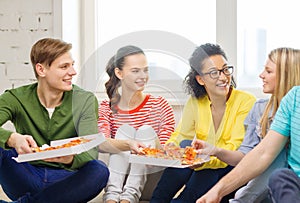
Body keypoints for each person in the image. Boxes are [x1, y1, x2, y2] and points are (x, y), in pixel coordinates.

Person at [0, 38, 141, 203]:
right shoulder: (15, 98)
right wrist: (11, 138)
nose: (73, 72)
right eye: (64, 66)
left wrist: (72, 159)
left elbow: (90, 148)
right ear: (41, 69)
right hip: (26, 175)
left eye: (72, 65)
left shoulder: (84, 100)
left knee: (99, 170)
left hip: (68, 181)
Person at [150, 43, 256, 203]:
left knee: (207, 171)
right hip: (204, 165)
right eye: (214, 73)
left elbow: (235, 150)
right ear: (200, 79)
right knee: (185, 145)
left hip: (230, 170)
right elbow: (182, 135)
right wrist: (171, 146)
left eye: (225, 70)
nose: (223, 77)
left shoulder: (246, 102)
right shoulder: (195, 102)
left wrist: (203, 161)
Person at [194, 47, 300, 202]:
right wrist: (218, 189)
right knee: (279, 176)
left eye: (268, 71)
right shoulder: (287, 100)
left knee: (279, 158)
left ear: (286, 75)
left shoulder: (244, 101)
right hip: (276, 183)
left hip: (269, 182)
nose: (261, 75)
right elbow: (258, 154)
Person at [98, 45, 175, 203]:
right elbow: (101, 143)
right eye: (135, 71)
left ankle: (128, 198)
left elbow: (165, 151)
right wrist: (128, 144)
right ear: (119, 73)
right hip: (117, 176)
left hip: (150, 177)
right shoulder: (106, 108)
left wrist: (147, 145)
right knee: (125, 130)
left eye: (145, 70)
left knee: (145, 130)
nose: (143, 76)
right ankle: (111, 198)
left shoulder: (160, 106)